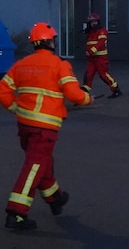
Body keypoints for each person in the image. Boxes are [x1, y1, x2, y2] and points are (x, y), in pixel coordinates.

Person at [1, 22, 93, 231]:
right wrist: (88, 98)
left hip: (24, 126)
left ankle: (55, 198)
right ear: (51, 42)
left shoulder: (22, 64)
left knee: (42, 163)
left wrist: (15, 108)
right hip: (45, 129)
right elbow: (74, 95)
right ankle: (16, 213)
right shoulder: (59, 65)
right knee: (34, 167)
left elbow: (2, 90)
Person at [82, 13, 121, 98]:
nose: (93, 23)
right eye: (91, 22)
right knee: (88, 74)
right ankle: (84, 93)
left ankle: (116, 89)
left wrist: (91, 51)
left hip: (101, 59)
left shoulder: (102, 31)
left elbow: (100, 43)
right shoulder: (90, 33)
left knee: (104, 75)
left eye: (95, 21)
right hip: (92, 59)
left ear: (98, 22)